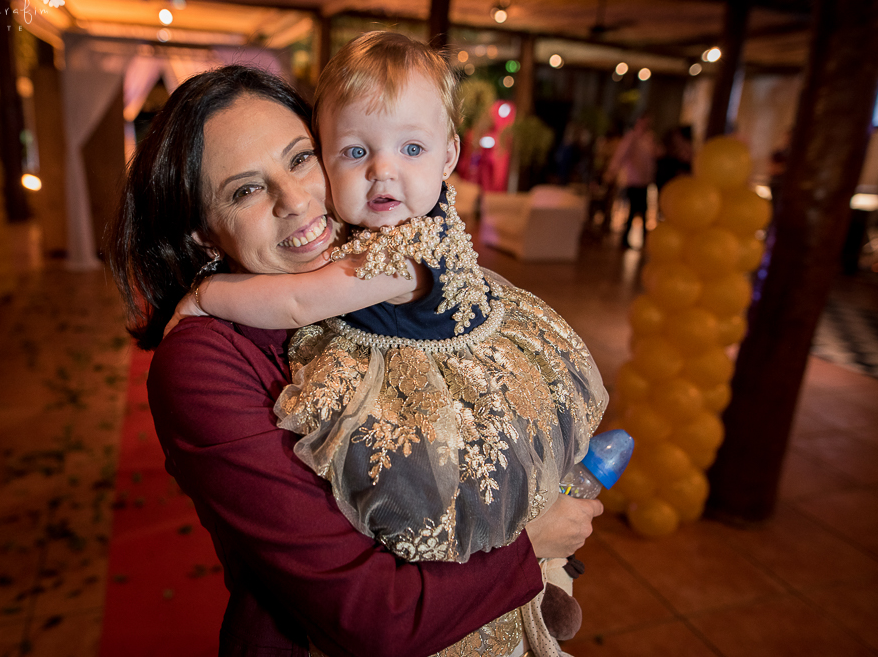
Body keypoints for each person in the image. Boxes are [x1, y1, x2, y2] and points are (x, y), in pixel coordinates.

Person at [109, 64, 604, 657]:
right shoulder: (201, 363)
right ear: (202, 234)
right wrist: (530, 544)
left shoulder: (378, 246)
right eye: (245, 190)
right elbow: (373, 616)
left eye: (300, 158)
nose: (294, 201)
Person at [607, 115, 657, 250]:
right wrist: (612, 171)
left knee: (642, 210)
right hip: (634, 180)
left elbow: (651, 158)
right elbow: (620, 155)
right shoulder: (632, 137)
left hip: (644, 181)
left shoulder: (648, 138)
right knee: (635, 210)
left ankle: (644, 241)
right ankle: (627, 240)